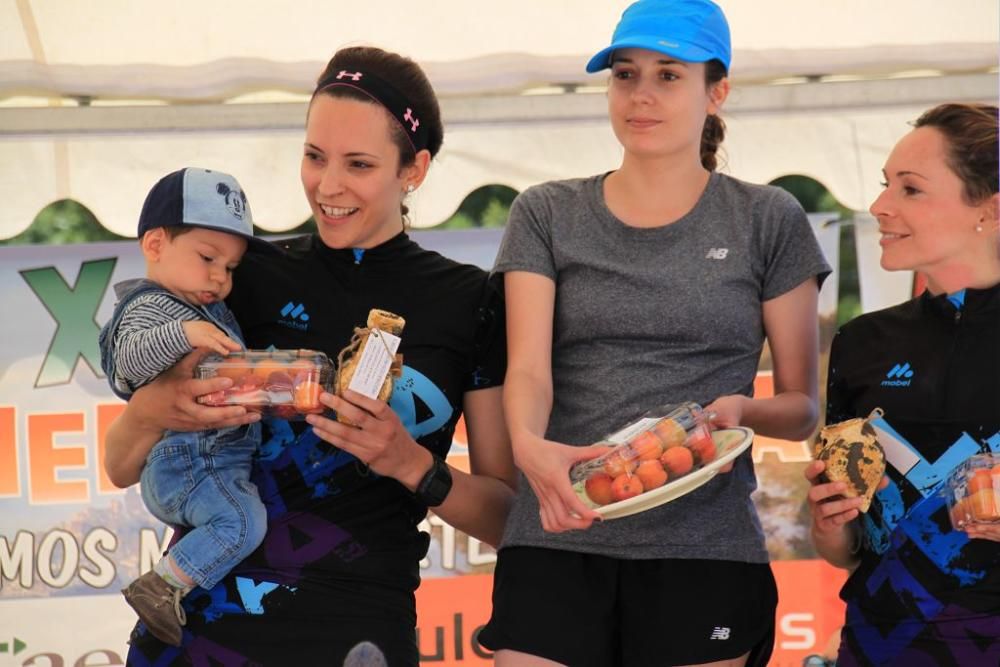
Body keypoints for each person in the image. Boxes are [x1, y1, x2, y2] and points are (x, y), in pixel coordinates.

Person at [103, 46, 516, 665]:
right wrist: (155, 408)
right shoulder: (242, 274)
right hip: (200, 624)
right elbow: (119, 464)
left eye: (359, 164)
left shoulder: (470, 300)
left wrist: (410, 464)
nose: (328, 186)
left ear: (415, 169)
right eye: (314, 156)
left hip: (356, 630)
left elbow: (507, 519)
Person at [478, 1, 831, 666]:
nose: (640, 94)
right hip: (560, 534)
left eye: (669, 75)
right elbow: (527, 369)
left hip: (704, 548)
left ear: (716, 91)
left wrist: (741, 411)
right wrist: (528, 445)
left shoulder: (768, 218)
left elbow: (803, 407)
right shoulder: (546, 211)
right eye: (624, 73)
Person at [805, 103, 1000, 666]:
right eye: (886, 185)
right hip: (883, 644)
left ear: (988, 210)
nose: (878, 207)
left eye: (910, 189)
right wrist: (829, 522)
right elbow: (849, 550)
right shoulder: (863, 342)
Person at [98, 167, 271, 646]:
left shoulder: (203, 305)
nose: (219, 277)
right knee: (241, 522)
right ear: (155, 244)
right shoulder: (152, 307)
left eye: (230, 268)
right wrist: (184, 334)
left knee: (242, 517)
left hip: (215, 459)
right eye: (207, 258)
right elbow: (128, 363)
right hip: (189, 462)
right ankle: (162, 586)